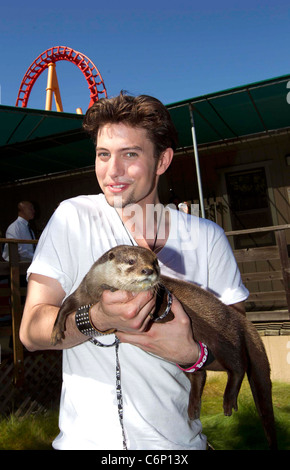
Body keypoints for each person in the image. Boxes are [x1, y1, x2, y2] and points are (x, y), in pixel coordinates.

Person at [20, 93, 248, 450]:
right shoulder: (72, 219)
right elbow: (32, 331)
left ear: (162, 160)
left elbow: (241, 344)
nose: (112, 171)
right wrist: (94, 318)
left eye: (130, 154)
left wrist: (192, 354)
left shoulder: (207, 238)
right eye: (103, 155)